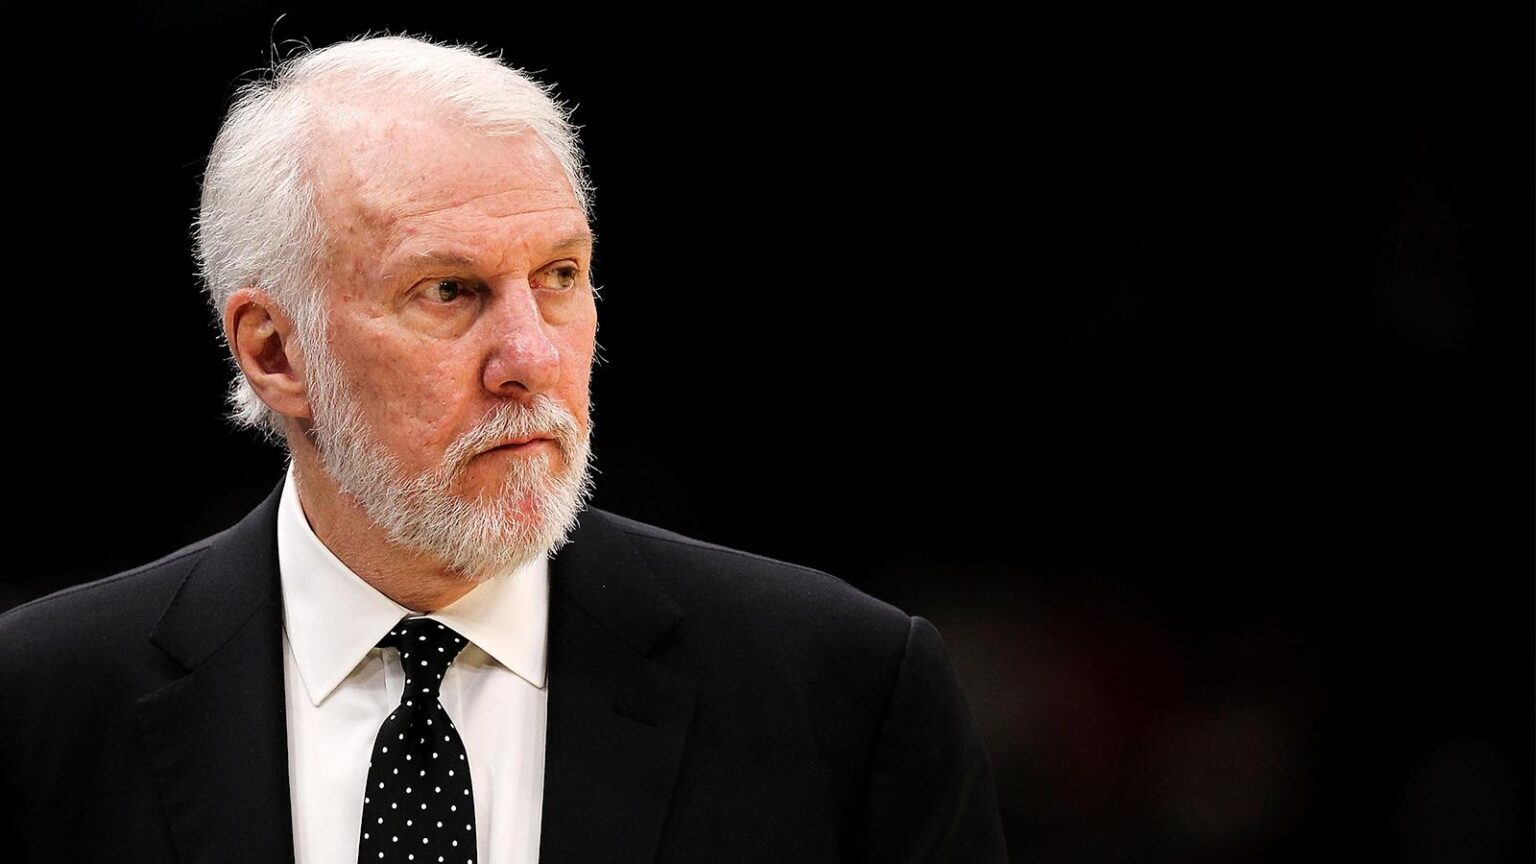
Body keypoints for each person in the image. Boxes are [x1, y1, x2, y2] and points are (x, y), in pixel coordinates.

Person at [0, 33, 1007, 863]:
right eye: (449, 290)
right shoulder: (38, 707)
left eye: (560, 276)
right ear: (274, 351)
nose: (531, 357)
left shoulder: (846, 693)